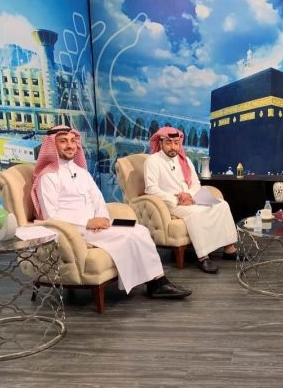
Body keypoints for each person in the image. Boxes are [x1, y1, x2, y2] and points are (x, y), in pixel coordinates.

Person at [32, 125, 191, 299]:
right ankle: (157, 284)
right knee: (126, 235)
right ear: (52, 145)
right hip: (72, 230)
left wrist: (102, 217)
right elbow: (51, 216)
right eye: (63, 141)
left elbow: (98, 199)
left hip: (95, 225)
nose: (70, 146)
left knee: (139, 229)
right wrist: (87, 223)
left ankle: (157, 282)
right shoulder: (48, 177)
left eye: (72, 141)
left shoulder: (81, 172)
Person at [144, 127, 237, 274]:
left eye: (176, 143)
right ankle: (203, 257)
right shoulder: (153, 161)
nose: (173, 147)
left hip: (190, 198)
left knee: (222, 205)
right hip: (170, 203)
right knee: (195, 214)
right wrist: (176, 198)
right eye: (168, 143)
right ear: (160, 143)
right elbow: (151, 189)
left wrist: (189, 196)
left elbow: (196, 184)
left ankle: (229, 249)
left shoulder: (185, 160)